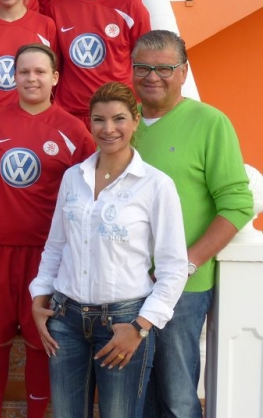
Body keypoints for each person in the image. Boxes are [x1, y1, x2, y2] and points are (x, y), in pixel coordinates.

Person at [30, 81, 188, 418]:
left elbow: (174, 267)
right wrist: (39, 298)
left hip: (124, 323)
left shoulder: (156, 185)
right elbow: (56, 246)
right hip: (65, 320)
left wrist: (140, 327)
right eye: (99, 119)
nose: (108, 129)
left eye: (119, 119)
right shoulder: (73, 178)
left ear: (135, 120)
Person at [131, 30, 254, 418]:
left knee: (177, 394)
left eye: (165, 68)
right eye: (142, 67)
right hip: (125, 283)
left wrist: (188, 262)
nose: (152, 76)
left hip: (183, 287)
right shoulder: (122, 122)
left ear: (183, 72)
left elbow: (237, 204)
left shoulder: (210, 123)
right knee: (134, 394)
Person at [0, 44, 94, 418]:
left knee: (41, 341)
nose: (31, 78)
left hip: (46, 255)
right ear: (13, 77)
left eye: (40, 72)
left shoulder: (73, 131)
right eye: (24, 72)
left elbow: (89, 192)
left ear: (55, 78)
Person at [48, 0, 150, 125]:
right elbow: (53, 63)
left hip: (118, 112)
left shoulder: (132, 7)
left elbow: (145, 62)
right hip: (71, 114)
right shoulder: (56, 7)